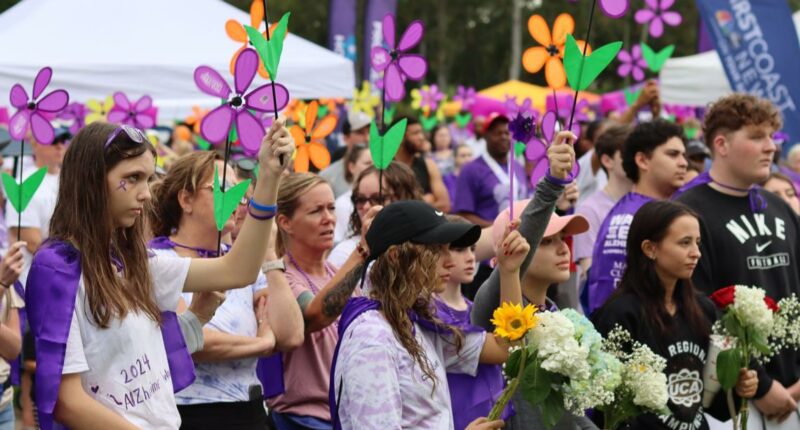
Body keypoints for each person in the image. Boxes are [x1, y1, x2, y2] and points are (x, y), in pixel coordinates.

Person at [24, 120, 294, 429]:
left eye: (148, 178)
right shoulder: (57, 269)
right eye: (133, 178)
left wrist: (269, 178)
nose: (146, 194)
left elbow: (238, 270)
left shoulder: (135, 262)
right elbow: (66, 401)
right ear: (91, 180)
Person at [330, 200, 520, 430]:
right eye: (435, 250)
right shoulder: (372, 338)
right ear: (395, 257)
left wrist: (509, 272)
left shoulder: (412, 321)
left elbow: (505, 348)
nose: (449, 261)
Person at [148, 151, 304, 429]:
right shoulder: (157, 260)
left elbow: (291, 334)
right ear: (186, 200)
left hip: (251, 410)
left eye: (240, 190)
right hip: (191, 413)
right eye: (223, 188)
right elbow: (193, 340)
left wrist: (268, 255)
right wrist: (262, 342)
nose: (238, 199)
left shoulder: (244, 262)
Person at [675, 94, 800, 427]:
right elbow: (693, 308)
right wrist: (761, 383)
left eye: (772, 136)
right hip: (730, 403)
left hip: (795, 391)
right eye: (757, 137)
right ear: (721, 144)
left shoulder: (780, 207)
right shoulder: (688, 213)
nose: (771, 147)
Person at [592, 200, 759, 429]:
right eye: (685, 243)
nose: (696, 253)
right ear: (650, 249)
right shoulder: (621, 313)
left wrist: (739, 387)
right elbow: (606, 408)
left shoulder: (704, 309)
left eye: (698, 243)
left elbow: (713, 404)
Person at [267, 172, 379, 429]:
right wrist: (362, 250)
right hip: (302, 419)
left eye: (330, 207)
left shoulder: (333, 271)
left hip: (345, 415)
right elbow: (315, 315)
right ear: (285, 222)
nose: (329, 218)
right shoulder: (281, 277)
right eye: (316, 211)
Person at [585, 119, 688, 315]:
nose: (683, 162)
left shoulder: (674, 208)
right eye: (673, 154)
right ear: (642, 161)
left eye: (684, 155)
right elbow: (607, 293)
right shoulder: (627, 217)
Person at [436, 215, 519, 429]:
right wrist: (509, 272)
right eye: (458, 249)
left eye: (472, 249)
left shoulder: (474, 307)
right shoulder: (431, 315)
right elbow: (509, 348)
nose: (470, 257)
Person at [328, 162, 421, 268]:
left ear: (404, 198)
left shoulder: (426, 243)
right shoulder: (344, 254)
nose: (366, 207)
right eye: (361, 199)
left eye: (378, 199)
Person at [574, 124, 633, 280]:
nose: (636, 159)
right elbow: (590, 273)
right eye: (628, 153)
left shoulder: (646, 204)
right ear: (607, 161)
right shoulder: (588, 211)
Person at [454, 113, 528, 227]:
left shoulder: (517, 167)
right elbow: (463, 215)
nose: (503, 137)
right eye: (497, 133)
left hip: (521, 238)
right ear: (485, 136)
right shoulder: (470, 170)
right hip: (488, 240)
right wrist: (496, 229)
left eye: (507, 133)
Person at [392, 116, 451, 212]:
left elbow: (445, 205)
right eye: (416, 133)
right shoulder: (386, 167)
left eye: (421, 132)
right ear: (400, 137)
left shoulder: (429, 165)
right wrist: (425, 201)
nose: (422, 137)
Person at [320, 111, 371, 197]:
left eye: (370, 132)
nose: (367, 138)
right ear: (346, 138)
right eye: (360, 133)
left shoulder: (386, 170)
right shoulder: (328, 176)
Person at [333, 145, 373, 243]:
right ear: (352, 167)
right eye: (368, 163)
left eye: (376, 163)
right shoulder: (342, 204)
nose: (374, 167)